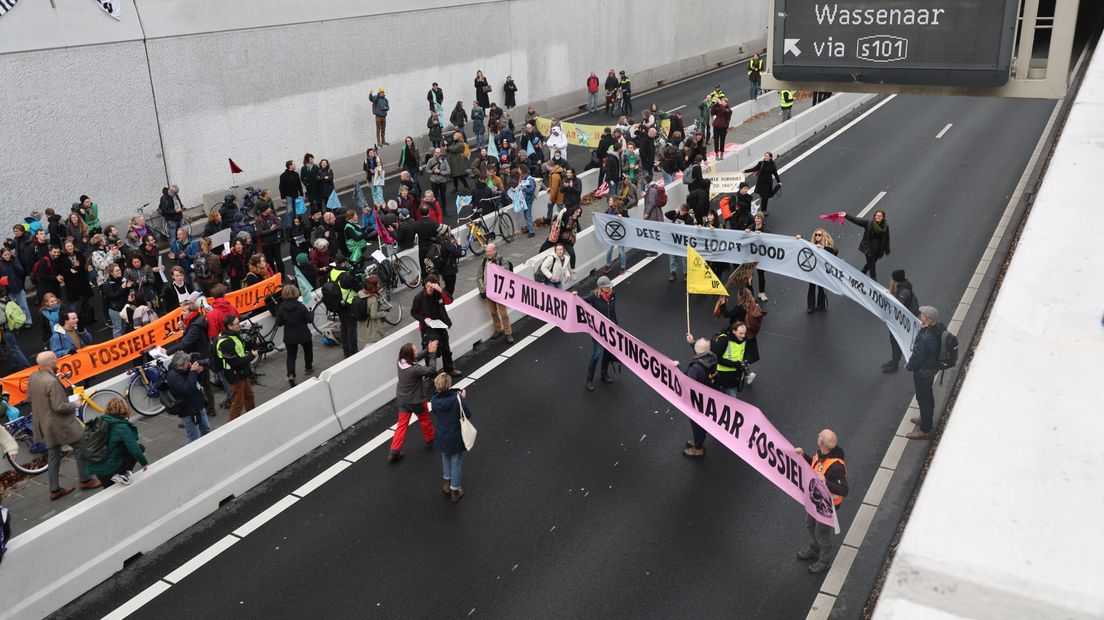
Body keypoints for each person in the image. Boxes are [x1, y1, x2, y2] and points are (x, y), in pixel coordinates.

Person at [30, 352, 103, 499]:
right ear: (50, 362)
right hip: (60, 424)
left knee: (53, 455)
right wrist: (74, 404)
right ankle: (86, 480)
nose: (57, 362)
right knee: (80, 446)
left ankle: (54, 490)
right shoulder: (51, 381)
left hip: (44, 422)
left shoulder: (34, 376)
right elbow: (59, 406)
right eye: (55, 360)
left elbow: (30, 397)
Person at [795, 429, 848, 573]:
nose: (817, 436)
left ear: (822, 443)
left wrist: (826, 482)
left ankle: (824, 560)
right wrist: (803, 455)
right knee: (809, 525)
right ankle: (815, 548)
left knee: (822, 534)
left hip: (826, 506)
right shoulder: (821, 454)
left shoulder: (836, 466)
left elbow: (844, 490)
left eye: (819, 436)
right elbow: (814, 466)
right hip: (815, 500)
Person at [390, 340, 439, 463]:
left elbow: (416, 357)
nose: (417, 351)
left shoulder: (400, 361)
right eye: (415, 350)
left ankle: (395, 449)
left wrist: (427, 350)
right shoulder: (415, 370)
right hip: (416, 401)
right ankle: (431, 439)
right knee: (425, 420)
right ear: (410, 355)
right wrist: (432, 354)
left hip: (402, 400)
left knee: (402, 425)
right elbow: (431, 370)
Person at [164, 300, 217, 415]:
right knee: (204, 384)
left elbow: (185, 343)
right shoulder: (195, 320)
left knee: (200, 385)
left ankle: (205, 409)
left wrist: (167, 351)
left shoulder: (195, 326)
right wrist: (184, 328)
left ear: (191, 311)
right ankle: (207, 408)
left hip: (199, 358)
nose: (182, 313)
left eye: (184, 311)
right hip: (201, 356)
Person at [84, 398, 149, 487]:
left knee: (109, 489)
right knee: (140, 447)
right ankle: (122, 474)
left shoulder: (99, 422)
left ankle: (117, 475)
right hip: (109, 467)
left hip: (96, 466)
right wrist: (144, 463)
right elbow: (134, 449)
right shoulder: (122, 427)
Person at [430, 372, 473, 503]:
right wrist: (462, 398)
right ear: (449, 385)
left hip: (442, 436)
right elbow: (468, 414)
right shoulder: (457, 399)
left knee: (446, 458)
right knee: (456, 462)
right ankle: (456, 490)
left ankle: (446, 484)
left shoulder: (434, 400)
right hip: (455, 436)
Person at [411, 275, 460, 377]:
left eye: (431, 287)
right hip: (427, 328)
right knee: (430, 352)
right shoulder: (419, 297)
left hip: (441, 325)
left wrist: (441, 291)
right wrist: (423, 319)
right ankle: (432, 375)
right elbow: (413, 312)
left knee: (446, 349)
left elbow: (450, 301)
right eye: (427, 286)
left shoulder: (438, 294)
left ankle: (449, 369)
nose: (429, 289)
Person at [906, 306, 942, 440]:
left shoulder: (925, 337)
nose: (920, 315)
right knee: (927, 396)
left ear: (926, 318)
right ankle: (925, 418)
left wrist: (909, 366)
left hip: (923, 372)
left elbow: (917, 357)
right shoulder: (936, 329)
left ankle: (925, 429)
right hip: (931, 369)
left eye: (922, 314)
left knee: (923, 399)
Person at [680, 337, 717, 458]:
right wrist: (692, 343)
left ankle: (698, 448)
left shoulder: (695, 368)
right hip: (708, 395)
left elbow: (687, 381)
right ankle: (699, 440)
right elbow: (701, 352)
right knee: (703, 421)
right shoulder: (712, 357)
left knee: (696, 423)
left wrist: (678, 367)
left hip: (697, 400)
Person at [215, 315, 257, 420]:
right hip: (235, 374)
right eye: (237, 323)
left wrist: (251, 343)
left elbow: (241, 346)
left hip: (242, 371)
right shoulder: (226, 342)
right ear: (230, 326)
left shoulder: (233, 335)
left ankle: (252, 417)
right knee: (238, 402)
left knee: (249, 396)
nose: (239, 325)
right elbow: (235, 363)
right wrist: (251, 356)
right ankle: (232, 425)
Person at [579, 276, 617, 391]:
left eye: (609, 286)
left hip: (610, 330)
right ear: (601, 287)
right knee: (597, 354)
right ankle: (589, 380)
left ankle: (604, 374)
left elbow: (614, 312)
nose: (609, 288)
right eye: (607, 287)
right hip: (598, 330)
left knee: (607, 353)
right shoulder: (593, 296)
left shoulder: (613, 295)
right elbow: (579, 301)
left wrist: (617, 327)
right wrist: (574, 295)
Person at [165, 352, 213, 444]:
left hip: (198, 405)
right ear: (180, 365)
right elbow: (187, 389)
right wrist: (193, 372)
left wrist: (198, 372)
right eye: (188, 362)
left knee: (206, 430)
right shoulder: (173, 376)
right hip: (188, 411)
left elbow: (196, 383)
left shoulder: (183, 370)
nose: (190, 363)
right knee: (193, 436)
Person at [693, 321, 749, 398]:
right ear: (734, 331)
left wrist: (744, 362)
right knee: (731, 399)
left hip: (734, 375)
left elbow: (743, 353)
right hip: (722, 375)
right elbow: (717, 358)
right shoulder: (724, 340)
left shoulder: (744, 340)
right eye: (741, 333)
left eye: (744, 333)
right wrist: (737, 364)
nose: (743, 336)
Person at [275, 284, 313, 386]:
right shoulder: (300, 306)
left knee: (291, 357)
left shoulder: (281, 308)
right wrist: (311, 313)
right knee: (308, 349)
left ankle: (291, 374)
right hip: (303, 333)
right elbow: (309, 320)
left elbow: (279, 323)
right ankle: (308, 367)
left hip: (290, 336)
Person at [883, 270, 920, 373]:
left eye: (892, 278)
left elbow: (897, 308)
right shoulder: (903, 288)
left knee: (896, 342)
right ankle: (894, 361)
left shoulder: (904, 292)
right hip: (901, 322)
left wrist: (888, 318)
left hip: (901, 323)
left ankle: (894, 364)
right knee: (894, 341)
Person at [476, 243, 514, 343]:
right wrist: (482, 290)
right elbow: (479, 277)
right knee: (493, 313)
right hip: (489, 292)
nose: (487, 253)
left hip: (499, 292)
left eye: (489, 251)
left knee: (503, 314)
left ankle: (508, 333)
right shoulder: (483, 261)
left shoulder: (502, 260)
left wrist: (496, 266)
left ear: (494, 251)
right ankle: (498, 330)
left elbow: (507, 273)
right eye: (486, 251)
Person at [838, 209, 890, 281]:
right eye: (877, 215)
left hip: (878, 251)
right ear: (874, 216)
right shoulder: (868, 223)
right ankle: (875, 285)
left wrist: (887, 250)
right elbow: (857, 221)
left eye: (880, 216)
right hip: (868, 249)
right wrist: (846, 215)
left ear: (883, 217)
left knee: (869, 265)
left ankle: (860, 276)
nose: (878, 217)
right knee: (872, 268)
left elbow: (886, 239)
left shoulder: (885, 227)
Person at [328, 254, 360, 358]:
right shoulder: (345, 276)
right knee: (351, 328)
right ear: (343, 263)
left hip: (337, 305)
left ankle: (346, 352)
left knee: (344, 327)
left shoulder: (332, 272)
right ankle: (353, 352)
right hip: (348, 305)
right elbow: (357, 288)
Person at [801, 228, 837, 313]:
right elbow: (805, 243)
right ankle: (811, 307)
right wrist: (800, 238)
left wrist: (823, 247)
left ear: (823, 236)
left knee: (821, 287)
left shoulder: (827, 245)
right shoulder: (812, 244)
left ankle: (821, 305)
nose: (817, 236)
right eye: (816, 234)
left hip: (822, 270)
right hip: (813, 269)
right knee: (811, 287)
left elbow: (834, 252)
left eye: (819, 235)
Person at [0, 285, 30, 370]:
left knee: (14, 348)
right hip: (15, 327)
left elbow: (1, 320)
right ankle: (15, 365)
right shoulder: (8, 299)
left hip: (7, 329)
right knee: (12, 347)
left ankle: (26, 366)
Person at [355, 276, 387, 346]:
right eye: (377, 283)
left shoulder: (361, 294)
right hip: (371, 327)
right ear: (373, 286)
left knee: (369, 344)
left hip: (363, 325)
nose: (379, 285)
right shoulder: (372, 299)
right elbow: (373, 315)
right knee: (371, 345)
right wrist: (382, 313)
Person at [746, 213, 770, 301]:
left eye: (759, 218)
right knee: (749, 276)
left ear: (762, 220)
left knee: (761, 275)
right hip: (751, 256)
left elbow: (770, 240)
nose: (756, 219)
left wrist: (762, 235)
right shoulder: (750, 227)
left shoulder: (765, 229)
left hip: (760, 256)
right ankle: (750, 294)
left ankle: (762, 293)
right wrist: (747, 232)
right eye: (756, 218)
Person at [255, 202, 283, 273]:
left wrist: (274, 228)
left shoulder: (272, 216)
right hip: (266, 245)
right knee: (270, 262)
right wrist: (271, 230)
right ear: (264, 210)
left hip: (275, 242)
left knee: (279, 260)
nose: (270, 209)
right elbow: (261, 232)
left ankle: (282, 275)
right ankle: (273, 275)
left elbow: (280, 225)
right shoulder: (258, 220)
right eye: (269, 208)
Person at [516, 164, 537, 238]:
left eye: (518, 169)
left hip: (528, 199)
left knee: (527, 215)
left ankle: (531, 231)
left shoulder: (529, 179)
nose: (518, 170)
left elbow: (531, 190)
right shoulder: (522, 178)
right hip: (524, 199)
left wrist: (523, 189)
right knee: (527, 214)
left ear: (522, 170)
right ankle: (529, 228)